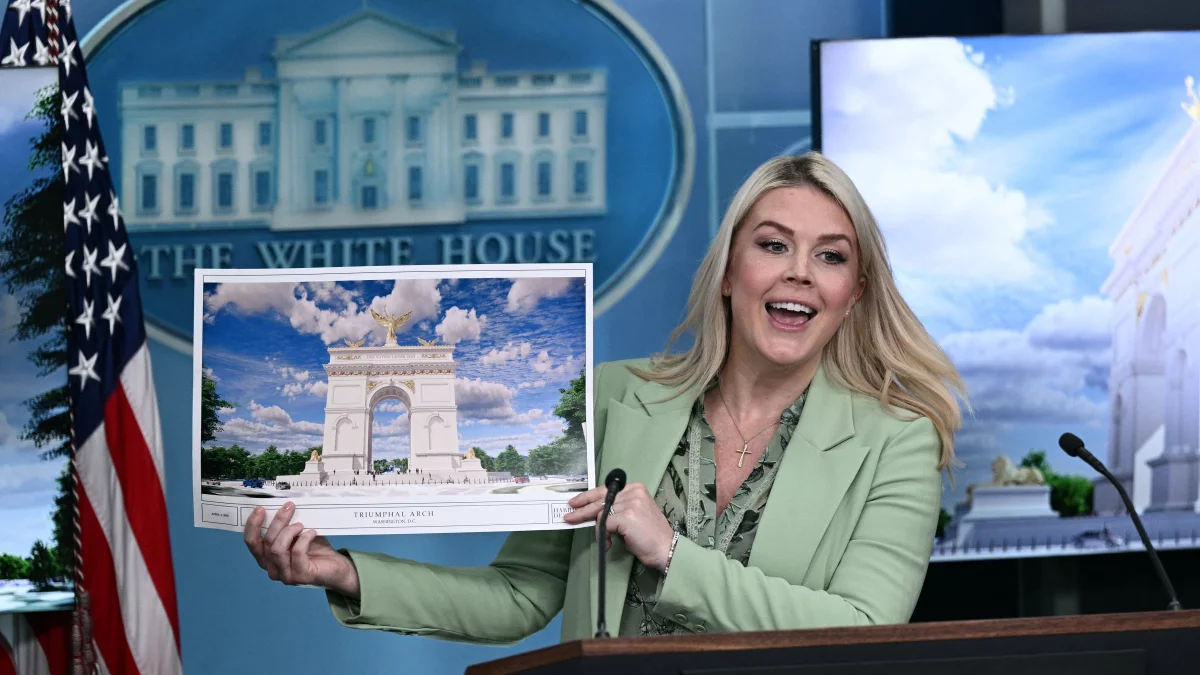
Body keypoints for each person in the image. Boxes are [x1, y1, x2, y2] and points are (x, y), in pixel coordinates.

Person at [244, 153, 966, 642]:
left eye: (831, 255)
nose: (800, 273)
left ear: (855, 291)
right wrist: (343, 570)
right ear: (727, 271)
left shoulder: (898, 438)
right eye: (774, 245)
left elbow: (860, 627)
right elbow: (521, 594)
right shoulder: (615, 398)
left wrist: (671, 552)